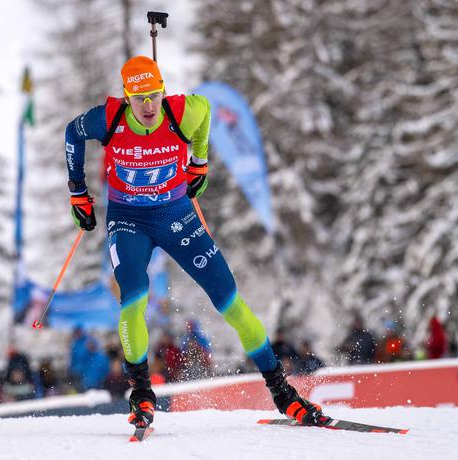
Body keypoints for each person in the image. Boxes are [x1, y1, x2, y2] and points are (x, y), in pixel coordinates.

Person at [64, 55, 324, 428]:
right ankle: (141, 394)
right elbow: (71, 133)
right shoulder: (108, 118)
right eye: (140, 99)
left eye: (154, 95)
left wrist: (199, 161)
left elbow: (206, 115)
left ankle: (283, 393)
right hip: (129, 221)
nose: (149, 106)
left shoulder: (183, 111)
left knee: (230, 301)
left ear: (163, 91)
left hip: (177, 216)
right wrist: (78, 192)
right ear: (126, 98)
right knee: (133, 298)